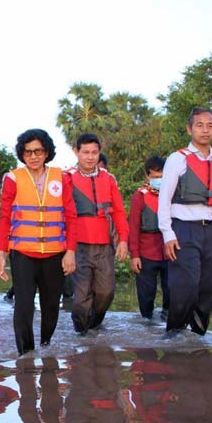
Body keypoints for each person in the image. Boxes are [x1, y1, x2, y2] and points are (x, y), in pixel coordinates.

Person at [158, 107, 212, 336]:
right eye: (199, 125)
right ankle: (174, 332)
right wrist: (168, 234)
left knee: (211, 287)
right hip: (183, 229)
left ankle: (197, 332)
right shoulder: (177, 159)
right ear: (190, 129)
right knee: (185, 286)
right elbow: (163, 200)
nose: (205, 130)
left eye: (210, 125)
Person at [0, 128, 77, 354]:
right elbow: (5, 218)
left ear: (46, 152)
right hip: (23, 253)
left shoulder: (61, 177)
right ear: (22, 154)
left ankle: (45, 345)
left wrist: (70, 251)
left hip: (54, 253)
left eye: (38, 151)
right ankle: (26, 354)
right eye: (28, 152)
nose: (33, 156)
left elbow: (71, 216)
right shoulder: (13, 178)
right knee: (23, 306)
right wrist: (2, 254)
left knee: (51, 306)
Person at [64, 133, 129, 335]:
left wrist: (123, 240)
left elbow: (118, 210)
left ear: (99, 153)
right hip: (78, 246)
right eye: (85, 152)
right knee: (81, 298)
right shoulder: (66, 178)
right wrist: (67, 249)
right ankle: (81, 337)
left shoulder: (108, 179)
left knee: (106, 292)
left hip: (104, 245)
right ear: (77, 152)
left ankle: (93, 327)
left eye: (94, 152)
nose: (90, 157)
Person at [128, 156, 170, 321]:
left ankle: (169, 319)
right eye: (155, 177)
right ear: (147, 176)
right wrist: (134, 255)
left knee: (172, 290)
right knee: (146, 293)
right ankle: (146, 322)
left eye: (162, 177)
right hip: (146, 251)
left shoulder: (173, 194)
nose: (158, 180)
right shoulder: (140, 196)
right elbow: (133, 226)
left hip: (169, 251)